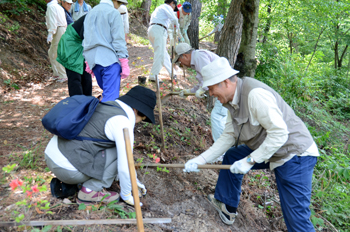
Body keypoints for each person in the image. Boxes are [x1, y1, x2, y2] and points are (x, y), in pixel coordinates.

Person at [183, 57, 319, 231]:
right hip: (271, 148)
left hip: (294, 154)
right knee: (233, 156)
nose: (210, 93)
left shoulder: (255, 95)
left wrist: (249, 161)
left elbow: (280, 134)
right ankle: (227, 207)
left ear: (225, 82)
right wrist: (201, 159)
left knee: (295, 217)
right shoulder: (232, 100)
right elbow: (229, 136)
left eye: (211, 88)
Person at [45, 86, 157, 206]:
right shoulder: (123, 122)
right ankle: (89, 191)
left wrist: (133, 181)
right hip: (68, 169)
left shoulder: (109, 105)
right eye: (141, 118)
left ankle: (75, 182)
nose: (138, 122)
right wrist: (126, 194)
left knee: (115, 148)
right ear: (135, 110)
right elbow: (125, 165)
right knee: (117, 152)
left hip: (52, 157)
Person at [173, 43, 227, 161]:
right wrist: (189, 91)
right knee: (222, 118)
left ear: (185, 56)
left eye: (179, 60)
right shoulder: (197, 59)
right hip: (223, 87)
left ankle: (222, 154)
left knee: (217, 116)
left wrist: (203, 88)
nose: (181, 63)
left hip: (226, 88)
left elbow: (210, 76)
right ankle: (223, 152)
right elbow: (203, 80)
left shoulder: (199, 57)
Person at [83, 0, 129, 102]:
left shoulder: (90, 13)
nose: (118, 6)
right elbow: (118, 40)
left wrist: (87, 60)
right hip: (109, 61)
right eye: (119, 3)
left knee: (106, 94)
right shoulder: (113, 13)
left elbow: (86, 38)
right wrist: (124, 62)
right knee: (110, 99)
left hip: (94, 61)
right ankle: (104, 117)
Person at [57, 14, 92, 96]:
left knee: (86, 77)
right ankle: (77, 104)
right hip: (71, 46)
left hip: (81, 45)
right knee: (75, 77)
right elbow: (84, 35)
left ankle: (87, 102)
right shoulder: (94, 17)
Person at [148, 0, 182, 82]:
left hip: (153, 30)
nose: (173, 9)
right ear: (172, 3)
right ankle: (153, 75)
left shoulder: (159, 8)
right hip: (159, 30)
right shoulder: (167, 7)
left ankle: (172, 73)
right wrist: (177, 30)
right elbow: (174, 19)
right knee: (160, 55)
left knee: (163, 54)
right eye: (174, 7)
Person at [45, 0, 68, 82]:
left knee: (57, 53)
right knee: (51, 52)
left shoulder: (51, 7)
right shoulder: (58, 6)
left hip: (58, 30)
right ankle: (57, 73)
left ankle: (63, 75)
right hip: (61, 29)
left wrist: (51, 33)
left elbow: (52, 21)